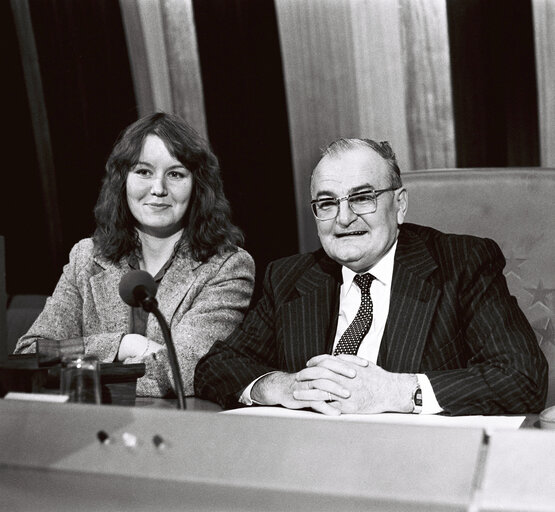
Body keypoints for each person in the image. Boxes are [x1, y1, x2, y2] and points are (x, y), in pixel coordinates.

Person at [194, 138, 548, 415]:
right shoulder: (289, 277)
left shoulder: (462, 264)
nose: (344, 218)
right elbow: (216, 368)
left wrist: (394, 391)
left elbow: (522, 378)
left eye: (362, 198)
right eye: (327, 203)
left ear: (400, 205)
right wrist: (282, 387)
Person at [15, 112, 255, 397]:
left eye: (175, 174)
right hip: (87, 427)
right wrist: (123, 345)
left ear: (198, 187)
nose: (158, 189)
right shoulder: (86, 257)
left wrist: (80, 365)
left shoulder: (227, 266)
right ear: (122, 181)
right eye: (143, 172)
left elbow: (186, 371)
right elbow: (31, 354)